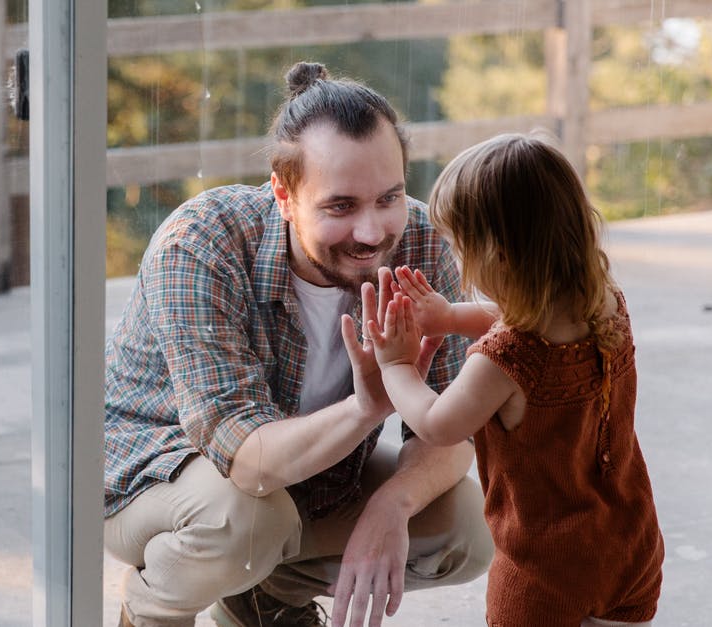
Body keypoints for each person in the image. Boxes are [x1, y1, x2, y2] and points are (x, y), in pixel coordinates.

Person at [104, 61, 493, 627]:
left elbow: (455, 429)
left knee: (466, 526)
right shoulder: (199, 244)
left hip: (303, 481)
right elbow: (247, 461)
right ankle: (152, 606)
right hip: (151, 473)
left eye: (388, 197)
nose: (372, 233)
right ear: (284, 195)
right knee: (248, 522)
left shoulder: (419, 244)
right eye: (341, 206)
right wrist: (366, 407)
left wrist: (393, 503)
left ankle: (264, 598)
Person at [364, 133, 665, 627]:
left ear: (498, 255)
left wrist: (396, 365)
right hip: (630, 544)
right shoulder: (605, 303)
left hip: (545, 571)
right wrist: (450, 317)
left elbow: (438, 424)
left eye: (460, 246)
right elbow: (528, 316)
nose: (457, 259)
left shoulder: (504, 360)